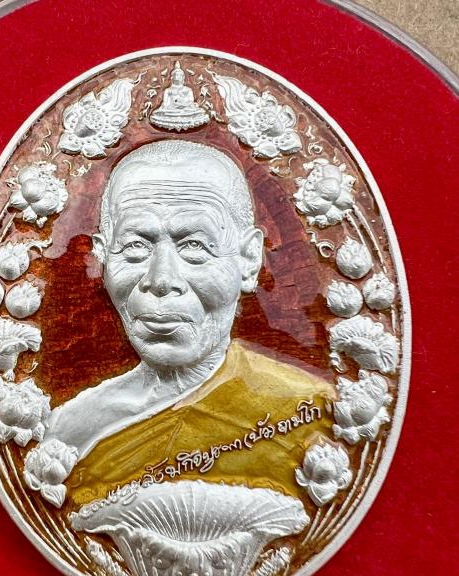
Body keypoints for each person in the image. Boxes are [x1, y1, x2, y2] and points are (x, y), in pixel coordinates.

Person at [28, 139, 334, 511]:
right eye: (136, 247)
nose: (161, 280)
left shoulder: (312, 413)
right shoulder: (69, 431)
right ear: (103, 257)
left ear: (249, 260)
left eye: (194, 246)